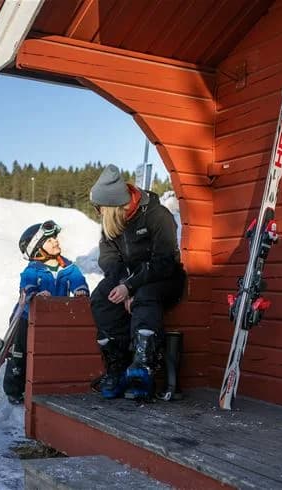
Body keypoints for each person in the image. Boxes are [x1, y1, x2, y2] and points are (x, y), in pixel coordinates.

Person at [89, 164, 186, 400]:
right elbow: (109, 260)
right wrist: (124, 283)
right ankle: (118, 366)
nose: (98, 213)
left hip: (165, 278)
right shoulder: (111, 225)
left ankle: (143, 367)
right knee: (101, 297)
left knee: (145, 295)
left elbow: (164, 262)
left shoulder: (157, 215)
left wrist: (130, 287)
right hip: (129, 280)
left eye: (100, 208)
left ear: (112, 205)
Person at [3, 219, 89, 404]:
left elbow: (78, 281)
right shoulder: (32, 271)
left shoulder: (68, 267)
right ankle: (14, 389)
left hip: (54, 320)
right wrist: (35, 294)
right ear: (37, 249)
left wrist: (80, 290)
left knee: (50, 352)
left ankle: (48, 383)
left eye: (55, 238)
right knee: (20, 353)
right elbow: (26, 287)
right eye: (49, 240)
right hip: (26, 318)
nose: (56, 241)